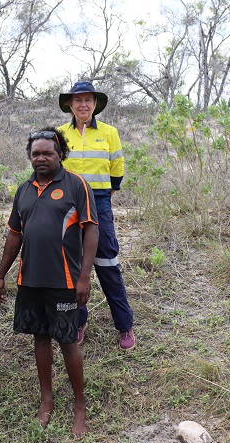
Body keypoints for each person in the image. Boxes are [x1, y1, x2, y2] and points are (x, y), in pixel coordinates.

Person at [0, 127, 98, 438]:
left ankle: (80, 407)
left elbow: (91, 230)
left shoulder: (76, 184)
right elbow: (14, 236)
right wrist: (1, 275)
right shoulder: (24, 190)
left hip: (65, 280)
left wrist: (84, 276)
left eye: (47, 153)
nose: (41, 158)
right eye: (35, 153)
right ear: (29, 156)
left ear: (60, 154)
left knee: (68, 342)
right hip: (30, 280)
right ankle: (47, 401)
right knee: (40, 338)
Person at [57, 80, 136, 350]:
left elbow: (117, 169)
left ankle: (125, 326)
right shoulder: (58, 134)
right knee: (72, 265)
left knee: (107, 262)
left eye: (88, 100)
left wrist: (101, 197)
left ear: (95, 104)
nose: (83, 105)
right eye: (78, 100)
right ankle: (78, 321)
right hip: (68, 204)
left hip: (100, 202)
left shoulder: (109, 133)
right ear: (70, 104)